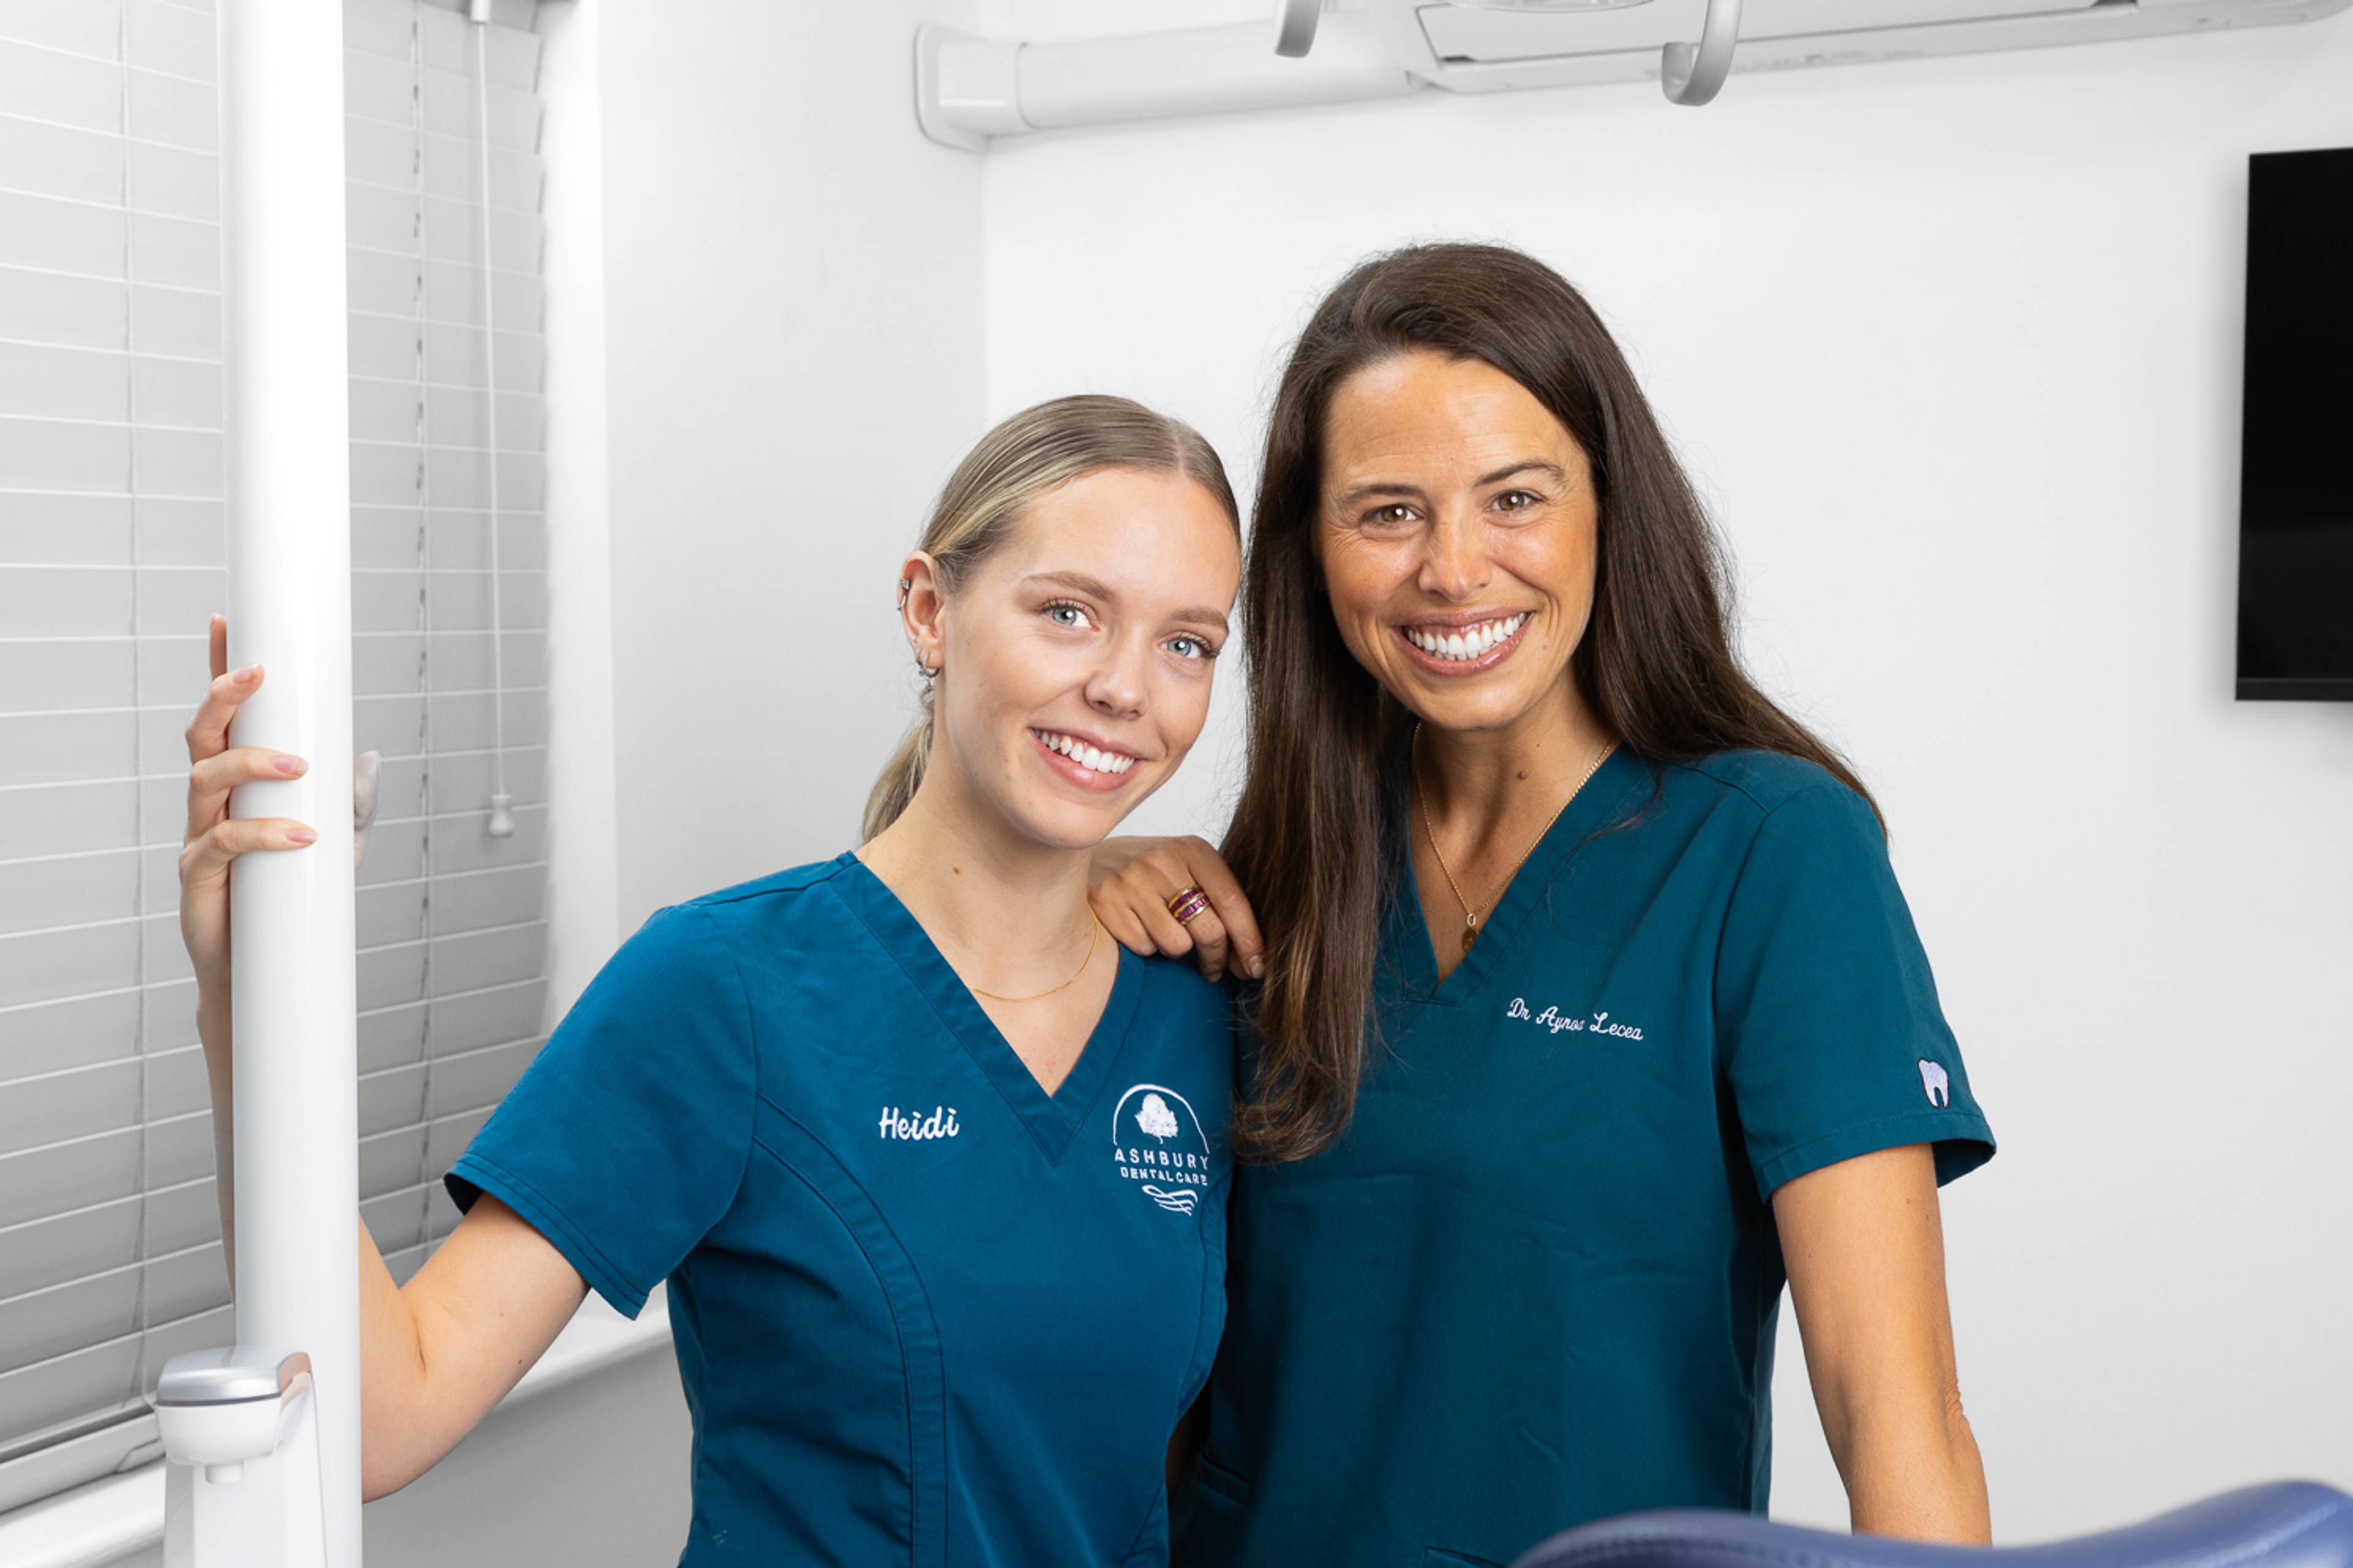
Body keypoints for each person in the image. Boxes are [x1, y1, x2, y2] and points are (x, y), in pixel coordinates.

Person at [180, 395, 1246, 1565]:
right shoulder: (724, 990)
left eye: (1185, 642)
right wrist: (251, 1005)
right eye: (1069, 612)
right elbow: (387, 1414)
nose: (1126, 689)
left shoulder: (1199, 1003)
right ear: (931, 610)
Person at [1087, 245, 1999, 1568]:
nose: (1454, 569)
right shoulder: (1281, 862)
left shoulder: (1775, 852)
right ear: (1312, 550)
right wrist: (1074, 883)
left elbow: (1895, 1410)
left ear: (1606, 509)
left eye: (1514, 496)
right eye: (1387, 511)